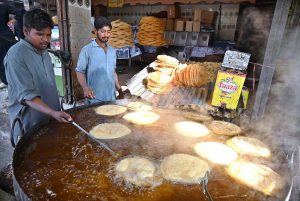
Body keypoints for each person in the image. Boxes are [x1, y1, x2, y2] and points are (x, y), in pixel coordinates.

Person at [4, 8, 72, 144]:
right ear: (25, 31)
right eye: (40, 34)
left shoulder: (44, 52)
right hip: (30, 123)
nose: (45, 40)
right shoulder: (16, 55)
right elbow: (26, 95)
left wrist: (55, 111)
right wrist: (53, 112)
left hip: (50, 118)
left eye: (48, 34)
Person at [76, 16, 123, 103]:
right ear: (95, 31)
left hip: (111, 97)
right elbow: (79, 71)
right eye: (103, 31)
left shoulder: (112, 51)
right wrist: (85, 88)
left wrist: (119, 89)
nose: (106, 35)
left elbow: (112, 72)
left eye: (108, 32)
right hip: (94, 98)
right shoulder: (87, 50)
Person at [0, 2, 17, 85]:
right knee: (12, 57)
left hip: (5, 37)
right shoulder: (4, 6)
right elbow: (18, 12)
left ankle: (5, 80)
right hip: (7, 36)